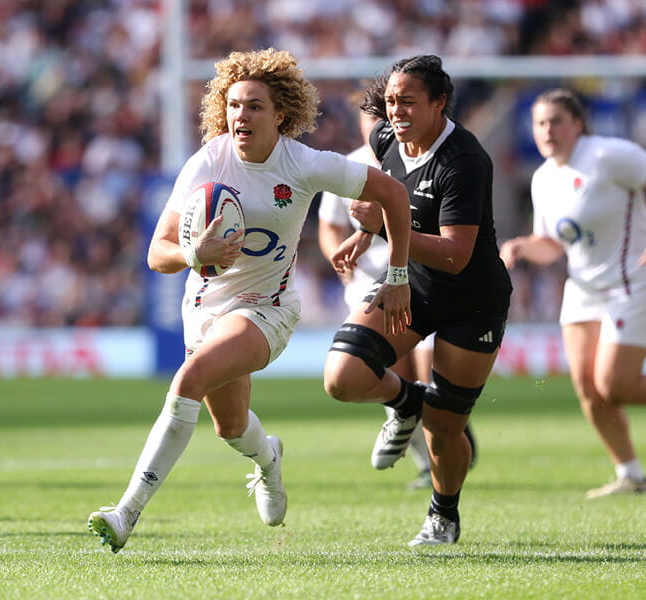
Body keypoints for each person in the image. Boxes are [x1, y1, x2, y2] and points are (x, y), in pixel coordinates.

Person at [87, 47, 412, 553]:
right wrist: (196, 251)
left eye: (255, 106)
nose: (242, 114)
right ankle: (269, 460)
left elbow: (393, 194)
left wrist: (397, 274)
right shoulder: (209, 160)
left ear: (280, 114)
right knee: (231, 426)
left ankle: (125, 512)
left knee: (188, 380)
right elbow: (158, 253)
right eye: (235, 105)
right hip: (205, 305)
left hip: (267, 306)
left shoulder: (302, 163)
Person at [322, 55, 512, 546]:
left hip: (472, 300)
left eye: (408, 101)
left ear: (439, 103)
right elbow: (389, 199)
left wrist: (382, 227)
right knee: (342, 377)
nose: (396, 111)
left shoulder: (465, 160)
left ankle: (442, 515)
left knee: (446, 426)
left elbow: (454, 254)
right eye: (390, 101)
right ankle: (407, 403)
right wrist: (365, 233)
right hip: (412, 284)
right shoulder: (384, 138)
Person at [318, 100, 478, 491]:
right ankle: (430, 462)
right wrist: (341, 262)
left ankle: (448, 438)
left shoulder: (432, 160)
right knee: (391, 379)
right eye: (371, 119)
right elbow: (329, 225)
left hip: (423, 280)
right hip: (370, 282)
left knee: (427, 376)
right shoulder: (349, 166)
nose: (381, 126)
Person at [500, 88, 646, 499]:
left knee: (615, 385)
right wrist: (522, 247)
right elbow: (552, 244)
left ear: (578, 124)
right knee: (587, 386)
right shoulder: (544, 177)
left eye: (557, 121)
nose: (548, 130)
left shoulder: (609, 155)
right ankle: (631, 473)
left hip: (629, 281)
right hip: (581, 289)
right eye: (540, 123)